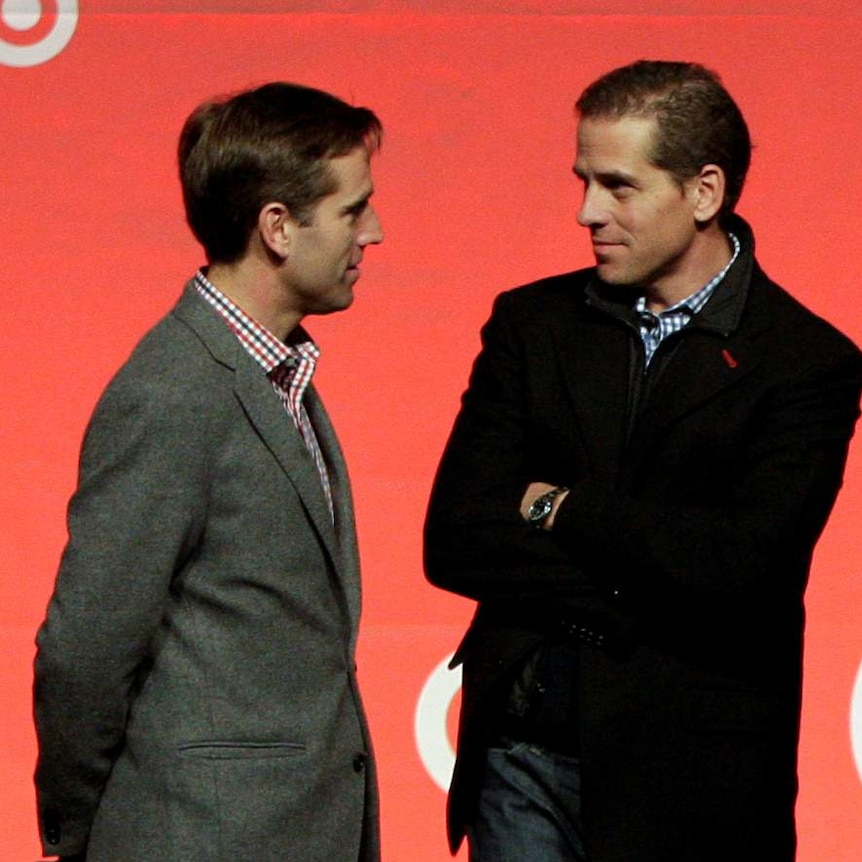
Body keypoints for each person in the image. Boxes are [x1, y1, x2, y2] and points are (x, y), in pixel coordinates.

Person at [424, 60, 862, 862]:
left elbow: (744, 567)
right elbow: (455, 534)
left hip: (693, 783)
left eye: (619, 187)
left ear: (704, 192)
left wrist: (563, 507)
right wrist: (639, 582)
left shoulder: (805, 363)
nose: (587, 211)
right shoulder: (533, 323)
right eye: (584, 180)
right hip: (522, 753)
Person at [33, 81, 384, 862]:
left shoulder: (272, 375)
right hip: (197, 836)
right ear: (278, 228)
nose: (377, 232)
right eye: (354, 210)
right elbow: (86, 646)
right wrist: (91, 824)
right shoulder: (170, 391)